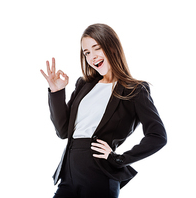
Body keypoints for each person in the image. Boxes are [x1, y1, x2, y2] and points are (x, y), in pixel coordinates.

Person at [40, 23, 167, 198]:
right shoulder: (84, 84)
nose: (92, 57)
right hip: (68, 174)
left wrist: (120, 158)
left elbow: (158, 136)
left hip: (99, 176)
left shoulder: (135, 90)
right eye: (87, 53)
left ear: (112, 47)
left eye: (96, 48)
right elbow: (62, 131)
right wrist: (56, 92)